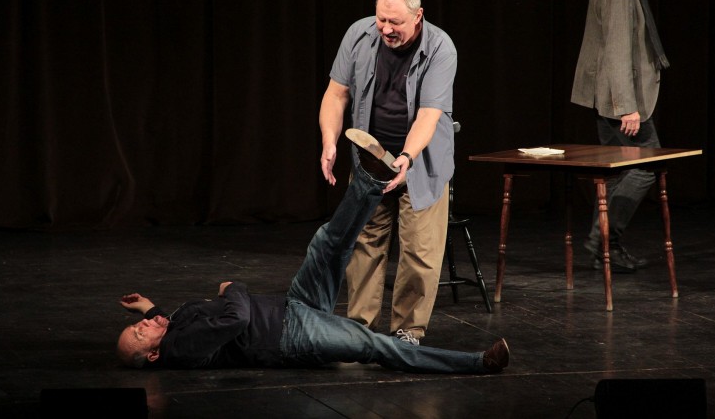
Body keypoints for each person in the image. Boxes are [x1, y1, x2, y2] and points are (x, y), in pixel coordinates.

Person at [116, 150, 509, 374]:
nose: (143, 325)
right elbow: (235, 317)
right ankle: (478, 363)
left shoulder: (172, 333)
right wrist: (232, 287)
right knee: (376, 346)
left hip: (293, 307)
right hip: (294, 335)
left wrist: (149, 308)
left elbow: (180, 322)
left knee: (327, 243)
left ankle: (371, 180)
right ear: (153, 355)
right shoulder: (181, 348)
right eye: (139, 332)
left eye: (137, 324)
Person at [319, 0, 457, 344]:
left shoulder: (440, 47)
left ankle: (407, 330)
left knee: (420, 250)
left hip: (422, 162)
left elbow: (428, 115)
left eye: (395, 22)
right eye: (381, 19)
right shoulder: (358, 35)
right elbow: (336, 94)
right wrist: (329, 141)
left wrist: (407, 158)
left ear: (418, 16)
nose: (386, 29)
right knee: (364, 244)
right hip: (370, 160)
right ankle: (359, 327)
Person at [570, 0, 670, 273]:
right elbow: (616, 50)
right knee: (647, 166)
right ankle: (601, 241)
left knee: (621, 173)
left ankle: (606, 248)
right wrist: (628, 106)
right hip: (619, 101)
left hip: (615, 97)